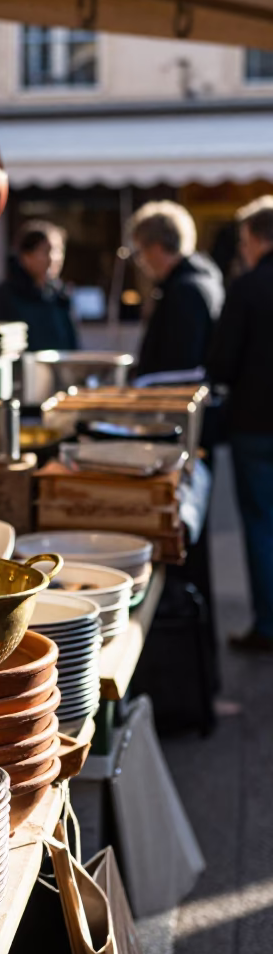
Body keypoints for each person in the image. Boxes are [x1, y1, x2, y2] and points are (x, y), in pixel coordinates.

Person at [208, 195, 273, 654]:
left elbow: (221, 363)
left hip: (256, 423)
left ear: (255, 239)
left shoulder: (248, 287)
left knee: (262, 525)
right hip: (255, 423)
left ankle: (269, 625)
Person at [127, 201, 224, 378]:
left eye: (140, 252)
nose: (140, 262)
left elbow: (180, 366)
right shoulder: (201, 279)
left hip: (174, 400)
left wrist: (144, 383)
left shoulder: (186, 290)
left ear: (155, 249)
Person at [0, 221, 77, 351]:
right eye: (46, 251)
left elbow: (72, 345)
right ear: (26, 256)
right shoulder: (1, 298)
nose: (54, 258)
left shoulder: (60, 298)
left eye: (59, 251)